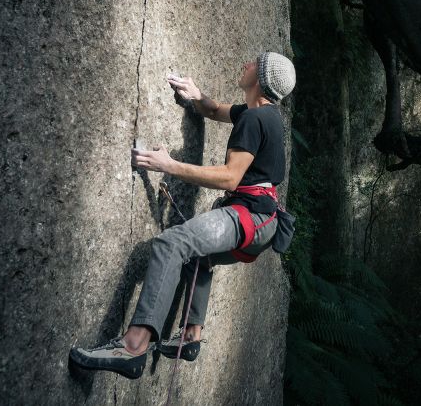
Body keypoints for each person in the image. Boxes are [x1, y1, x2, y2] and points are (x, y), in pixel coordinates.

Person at [68, 51, 296, 380]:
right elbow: (215, 110)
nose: (244, 63)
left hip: (249, 215)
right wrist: (196, 95)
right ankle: (191, 336)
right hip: (263, 221)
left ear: (260, 77)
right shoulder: (262, 114)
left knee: (172, 244)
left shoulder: (255, 119)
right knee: (199, 257)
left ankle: (133, 346)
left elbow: (231, 177)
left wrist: (168, 165)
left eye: (252, 63)